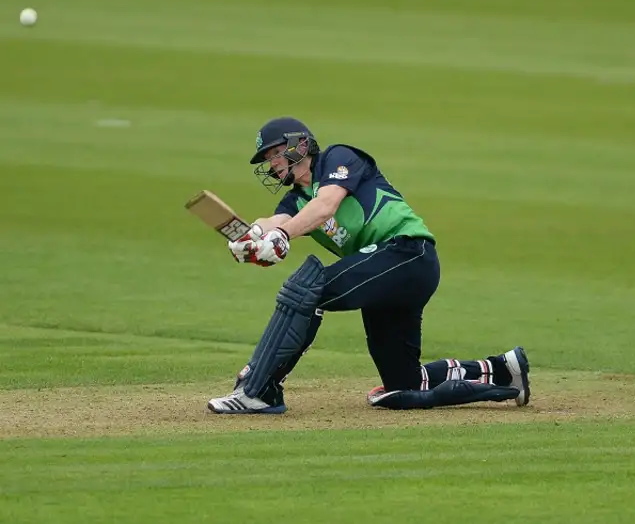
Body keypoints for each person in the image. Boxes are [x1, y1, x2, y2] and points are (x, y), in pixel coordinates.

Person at [207, 117, 531, 413]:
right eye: (267, 159)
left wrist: (280, 233)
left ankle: (261, 389)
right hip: (385, 272)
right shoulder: (294, 200)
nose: (272, 163)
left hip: (407, 253)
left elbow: (325, 206)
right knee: (403, 384)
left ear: (300, 145)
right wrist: (253, 237)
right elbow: (275, 219)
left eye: (275, 153)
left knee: (308, 289)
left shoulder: (338, 158)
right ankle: (505, 369)